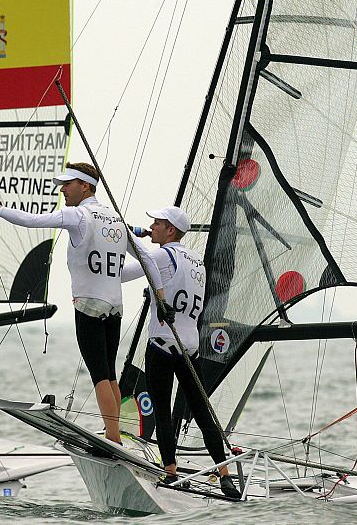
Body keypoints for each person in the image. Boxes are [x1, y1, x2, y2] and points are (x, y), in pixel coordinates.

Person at [0, 162, 169, 444]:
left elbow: (32, 220)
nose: (62, 189)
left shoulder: (77, 215)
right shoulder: (115, 219)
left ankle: (113, 438)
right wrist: (161, 300)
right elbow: (149, 260)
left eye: (68, 184)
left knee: (100, 375)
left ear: (85, 186)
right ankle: (119, 432)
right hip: (115, 307)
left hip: (89, 306)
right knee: (110, 374)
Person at [121, 206, 241, 499]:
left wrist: (121, 233)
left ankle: (171, 472)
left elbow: (126, 271)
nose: (153, 226)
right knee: (202, 413)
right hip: (191, 348)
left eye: (157, 224)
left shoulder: (162, 255)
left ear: (170, 230)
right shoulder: (196, 261)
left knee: (162, 411)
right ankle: (224, 475)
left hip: (162, 345)